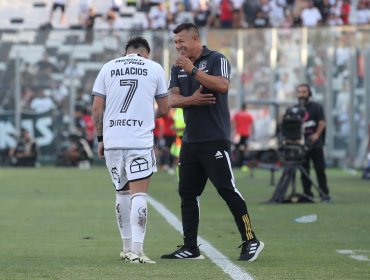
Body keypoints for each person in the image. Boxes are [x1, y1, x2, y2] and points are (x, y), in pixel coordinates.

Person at [161, 23, 264, 261]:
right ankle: (190, 247)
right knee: (187, 193)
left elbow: (222, 85)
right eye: (175, 43)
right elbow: (172, 100)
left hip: (214, 138)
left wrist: (194, 71)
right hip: (190, 140)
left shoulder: (217, 59)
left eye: (181, 42)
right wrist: (191, 100)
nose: (178, 47)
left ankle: (251, 239)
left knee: (227, 189)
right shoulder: (177, 66)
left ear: (195, 39)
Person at [92, 36, 169, 264]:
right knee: (139, 194)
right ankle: (137, 250)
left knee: (121, 193)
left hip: (113, 139)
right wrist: (146, 116)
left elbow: (97, 108)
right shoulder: (154, 68)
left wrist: (100, 138)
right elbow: (165, 108)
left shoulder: (108, 67)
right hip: (139, 141)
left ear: (126, 52)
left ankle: (126, 248)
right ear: (146, 53)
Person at [297, 83, 331, 202]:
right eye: (300, 92)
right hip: (301, 145)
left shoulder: (316, 107)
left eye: (304, 92)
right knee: (304, 170)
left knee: (320, 169)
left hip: (315, 144)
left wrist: (316, 134)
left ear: (309, 93)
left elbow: (322, 122)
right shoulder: (295, 109)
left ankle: (324, 194)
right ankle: (307, 194)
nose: (301, 94)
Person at [233, 102, 254, 167]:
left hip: (238, 134)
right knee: (245, 150)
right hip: (246, 134)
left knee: (236, 149)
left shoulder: (237, 114)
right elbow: (251, 126)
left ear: (241, 108)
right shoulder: (249, 115)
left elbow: (234, 124)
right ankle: (244, 164)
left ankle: (235, 163)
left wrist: (233, 134)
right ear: (246, 108)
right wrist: (252, 134)